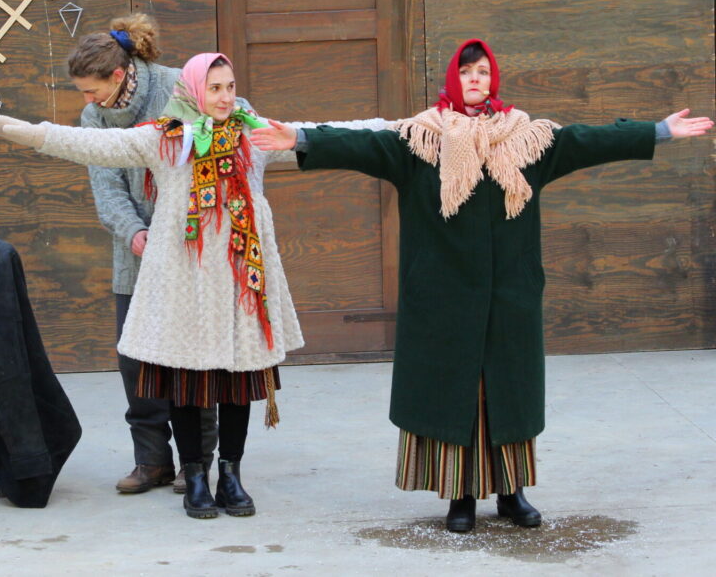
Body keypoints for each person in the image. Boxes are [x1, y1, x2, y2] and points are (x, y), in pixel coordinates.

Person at [250, 38, 713, 532]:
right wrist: (300, 138)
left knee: (506, 393)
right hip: (442, 297)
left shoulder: (527, 139)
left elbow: (587, 140)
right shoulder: (420, 140)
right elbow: (360, 146)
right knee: (457, 394)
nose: (475, 79)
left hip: (510, 295)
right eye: (467, 71)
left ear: (493, 80)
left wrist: (659, 131)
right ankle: (461, 497)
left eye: (484, 72)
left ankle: (513, 493)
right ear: (454, 78)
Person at [0, 52, 392, 518]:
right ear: (195, 90)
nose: (225, 97)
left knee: (236, 382)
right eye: (215, 88)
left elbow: (331, 133)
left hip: (237, 281)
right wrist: (27, 132)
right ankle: (194, 475)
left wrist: (404, 127)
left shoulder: (252, 135)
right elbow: (94, 145)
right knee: (184, 382)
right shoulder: (165, 138)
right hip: (183, 282)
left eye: (230, 87)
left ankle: (230, 474)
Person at [66, 13, 216, 495]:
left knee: (193, 360)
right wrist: (134, 232)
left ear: (117, 75)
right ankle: (152, 462)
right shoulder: (95, 118)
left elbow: (235, 122)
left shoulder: (179, 87)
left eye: (91, 91)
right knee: (136, 361)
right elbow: (107, 188)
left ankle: (198, 461)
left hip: (192, 250)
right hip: (135, 259)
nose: (87, 101)